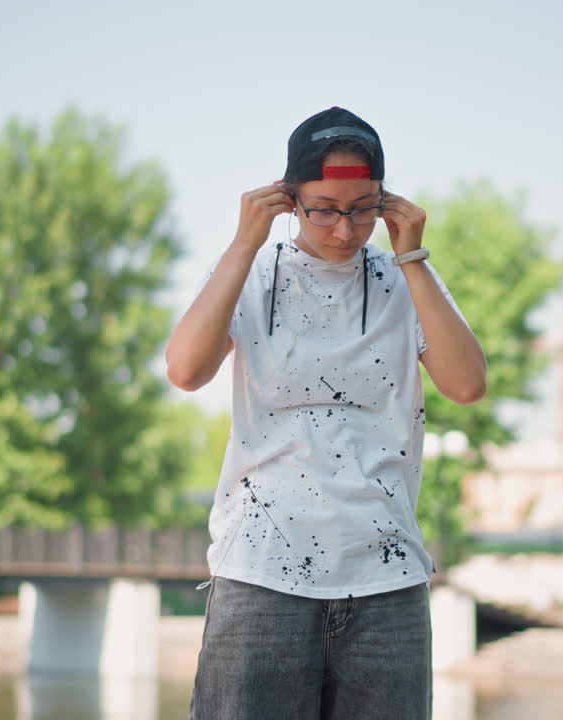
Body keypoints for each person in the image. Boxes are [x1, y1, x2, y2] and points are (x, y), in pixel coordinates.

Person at [166, 107, 486, 720]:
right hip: (260, 576)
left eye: (364, 208)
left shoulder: (405, 280)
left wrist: (413, 256)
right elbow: (185, 370)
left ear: (388, 203)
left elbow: (468, 385)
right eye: (324, 209)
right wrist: (243, 243)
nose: (344, 229)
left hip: (385, 578)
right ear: (289, 199)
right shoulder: (253, 274)